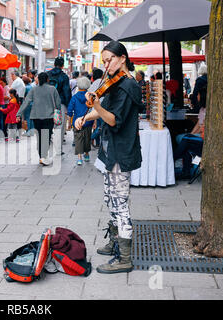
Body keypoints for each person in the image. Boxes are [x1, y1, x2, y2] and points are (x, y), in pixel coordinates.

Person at [75, 40, 142, 274]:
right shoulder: (116, 83)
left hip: (120, 152)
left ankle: (124, 258)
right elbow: (102, 109)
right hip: (110, 150)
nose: (106, 65)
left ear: (122, 58)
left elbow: (113, 119)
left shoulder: (128, 86)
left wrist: (96, 108)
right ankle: (115, 241)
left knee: (120, 203)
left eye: (110, 59)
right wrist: (86, 117)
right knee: (110, 198)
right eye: (103, 61)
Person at [16, 72, 61, 166]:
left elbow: (26, 102)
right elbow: (58, 104)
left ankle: (42, 156)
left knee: (39, 136)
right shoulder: (53, 89)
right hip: (49, 117)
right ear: (47, 79)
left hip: (36, 117)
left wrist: (18, 114)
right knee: (46, 136)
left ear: (39, 80)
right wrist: (58, 114)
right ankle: (43, 156)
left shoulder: (34, 89)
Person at [48, 56, 72, 155]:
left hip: (47, 103)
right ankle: (58, 149)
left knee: (48, 124)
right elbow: (66, 92)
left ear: (54, 64)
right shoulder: (64, 76)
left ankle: (47, 146)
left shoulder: (47, 75)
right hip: (60, 104)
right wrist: (69, 106)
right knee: (59, 126)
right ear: (62, 66)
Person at [67, 77, 93, 165]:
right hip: (88, 120)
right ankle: (86, 154)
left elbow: (70, 110)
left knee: (78, 139)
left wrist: (69, 123)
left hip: (77, 122)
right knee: (87, 138)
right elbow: (93, 110)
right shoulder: (90, 97)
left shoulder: (74, 97)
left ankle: (79, 158)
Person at [89, 68, 105, 148]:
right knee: (101, 127)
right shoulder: (103, 82)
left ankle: (97, 143)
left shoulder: (93, 84)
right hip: (102, 107)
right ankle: (91, 138)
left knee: (97, 126)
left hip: (94, 108)